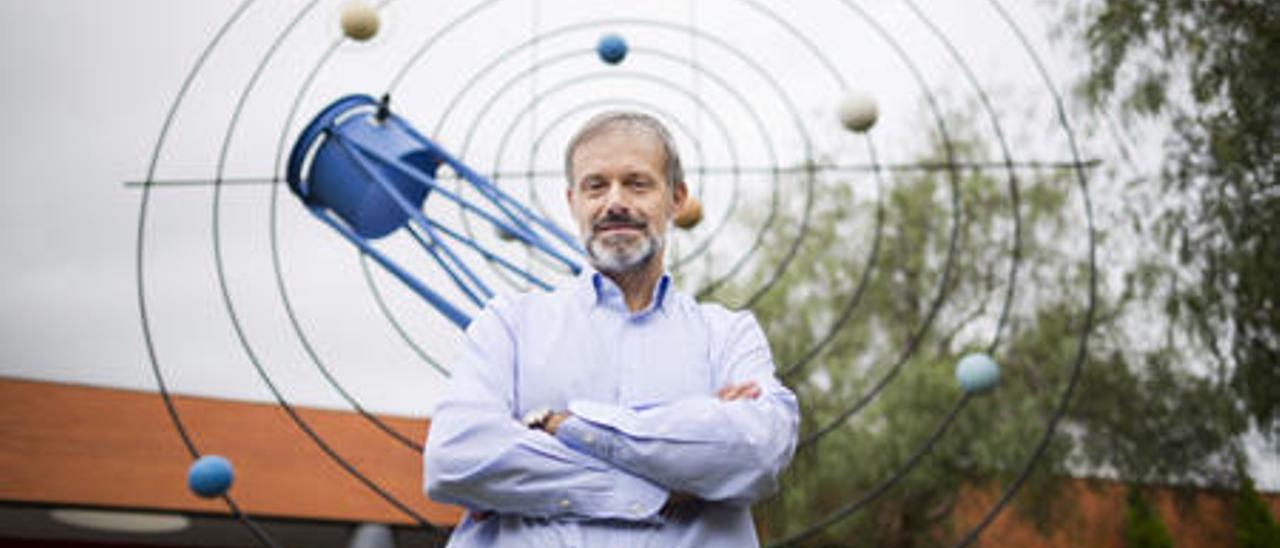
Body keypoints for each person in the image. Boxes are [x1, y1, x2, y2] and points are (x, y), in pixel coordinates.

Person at [423, 111, 799, 547]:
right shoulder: (508, 323)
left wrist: (565, 426)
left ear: (676, 198)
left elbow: (757, 452)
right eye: (595, 186)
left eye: (637, 183)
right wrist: (666, 473)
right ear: (573, 202)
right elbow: (454, 459)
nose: (614, 202)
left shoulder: (727, 333)